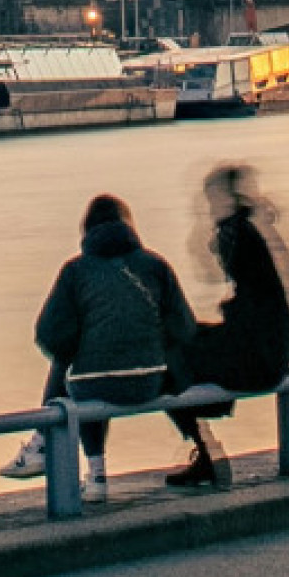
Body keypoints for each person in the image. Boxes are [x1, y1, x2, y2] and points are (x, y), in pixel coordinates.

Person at [25, 191, 195, 503]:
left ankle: (95, 475)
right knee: (95, 370)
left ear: (86, 229)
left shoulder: (75, 270)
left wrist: (83, 347)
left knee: (81, 372)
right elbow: (184, 328)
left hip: (94, 385)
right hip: (151, 381)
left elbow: (50, 333)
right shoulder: (155, 264)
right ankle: (198, 447)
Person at [163, 166, 289, 491]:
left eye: (211, 198)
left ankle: (205, 448)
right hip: (274, 350)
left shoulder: (233, 232)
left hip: (256, 357)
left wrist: (201, 240)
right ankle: (205, 445)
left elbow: (210, 275)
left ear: (224, 197)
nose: (208, 206)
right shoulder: (255, 227)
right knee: (187, 343)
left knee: (170, 355)